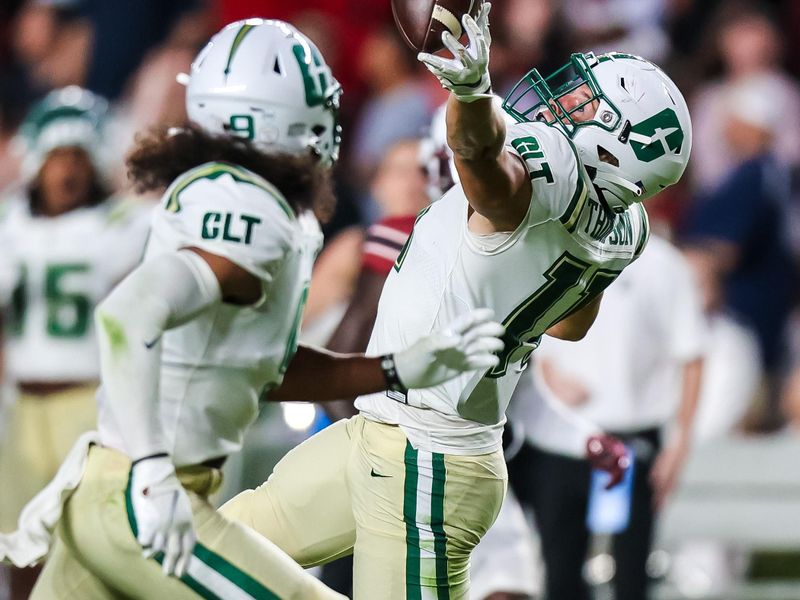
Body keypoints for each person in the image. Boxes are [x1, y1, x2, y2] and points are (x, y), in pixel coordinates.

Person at [0, 19, 505, 600]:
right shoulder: (253, 213)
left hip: (109, 490)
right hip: (141, 498)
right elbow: (127, 317)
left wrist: (395, 370)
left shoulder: (232, 194)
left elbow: (262, 368)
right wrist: (153, 470)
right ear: (287, 119)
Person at [220, 4, 692, 598]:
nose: (568, 102)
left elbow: (488, 176)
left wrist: (470, 92)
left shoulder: (560, 174)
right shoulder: (627, 226)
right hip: (390, 429)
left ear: (618, 145)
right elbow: (570, 324)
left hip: (432, 457)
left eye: (590, 104)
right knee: (218, 547)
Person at [0, 86, 151, 599]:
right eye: (58, 157)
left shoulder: (125, 225)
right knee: (21, 545)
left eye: (79, 157)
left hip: (89, 401)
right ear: (36, 161)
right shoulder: (8, 223)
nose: (68, 171)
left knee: (92, 540)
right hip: (21, 405)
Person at [507, 235, 707, 600]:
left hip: (629, 438)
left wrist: (680, 443)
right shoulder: (553, 247)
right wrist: (548, 376)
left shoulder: (662, 263)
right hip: (560, 438)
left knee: (630, 574)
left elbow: (691, 351)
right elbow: (530, 340)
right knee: (560, 571)